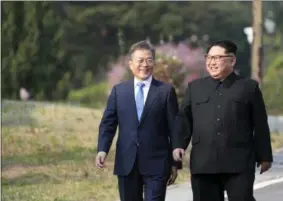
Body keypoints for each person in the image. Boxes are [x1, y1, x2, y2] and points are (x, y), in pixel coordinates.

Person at [172, 40, 273, 201]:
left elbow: (260, 123)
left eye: (217, 58)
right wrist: (178, 145)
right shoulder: (195, 88)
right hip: (204, 163)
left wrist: (265, 155)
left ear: (232, 60)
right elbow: (184, 120)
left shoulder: (248, 88)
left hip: (238, 162)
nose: (212, 62)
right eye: (209, 58)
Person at [95, 40, 181, 201]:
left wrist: (175, 163)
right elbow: (108, 123)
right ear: (130, 64)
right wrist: (102, 149)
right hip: (127, 163)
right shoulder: (119, 92)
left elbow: (175, 127)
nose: (145, 64)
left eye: (149, 60)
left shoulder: (165, 91)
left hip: (157, 164)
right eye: (140, 60)